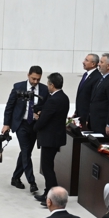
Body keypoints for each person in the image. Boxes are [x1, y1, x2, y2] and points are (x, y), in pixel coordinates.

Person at [1, 65, 49, 194]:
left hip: (34, 125)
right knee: (26, 151)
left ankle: (15, 178)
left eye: (38, 79)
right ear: (28, 75)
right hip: (21, 124)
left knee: (25, 152)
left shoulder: (44, 90)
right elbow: (9, 106)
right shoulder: (18, 87)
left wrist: (41, 114)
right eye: (33, 78)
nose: (35, 81)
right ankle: (32, 182)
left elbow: (46, 107)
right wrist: (6, 124)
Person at [33, 72, 70, 204]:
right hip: (55, 137)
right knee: (48, 166)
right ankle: (47, 193)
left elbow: (44, 119)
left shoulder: (54, 100)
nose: (47, 86)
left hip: (50, 138)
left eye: (48, 84)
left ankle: (54, 197)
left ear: (52, 85)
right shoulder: (63, 97)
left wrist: (35, 125)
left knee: (47, 168)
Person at [88, 54, 109, 135]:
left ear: (108, 66)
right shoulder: (102, 78)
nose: (98, 64)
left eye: (101, 62)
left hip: (103, 125)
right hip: (95, 122)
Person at [73, 54, 100, 127]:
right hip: (80, 115)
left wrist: (89, 117)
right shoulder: (86, 75)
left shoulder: (97, 77)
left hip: (87, 118)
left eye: (86, 60)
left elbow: (93, 99)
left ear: (93, 64)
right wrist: (76, 111)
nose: (83, 62)